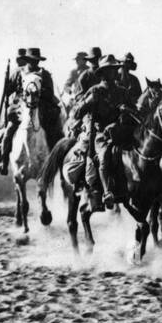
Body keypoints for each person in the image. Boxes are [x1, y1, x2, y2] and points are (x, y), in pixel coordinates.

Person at [69, 54, 132, 210]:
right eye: (109, 70)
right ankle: (107, 192)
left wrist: (127, 110)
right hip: (100, 134)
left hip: (120, 131)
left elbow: (135, 110)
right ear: (103, 73)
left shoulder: (122, 91)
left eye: (114, 70)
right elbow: (77, 112)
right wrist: (88, 102)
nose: (113, 73)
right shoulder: (95, 90)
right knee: (104, 156)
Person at [0, 47, 62, 174]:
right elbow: (8, 91)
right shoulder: (18, 72)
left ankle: (56, 162)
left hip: (40, 107)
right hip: (20, 108)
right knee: (9, 131)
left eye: (37, 60)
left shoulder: (45, 74)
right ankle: (3, 161)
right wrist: (6, 86)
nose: (35, 63)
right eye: (32, 60)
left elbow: (50, 93)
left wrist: (39, 93)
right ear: (27, 60)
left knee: (54, 130)